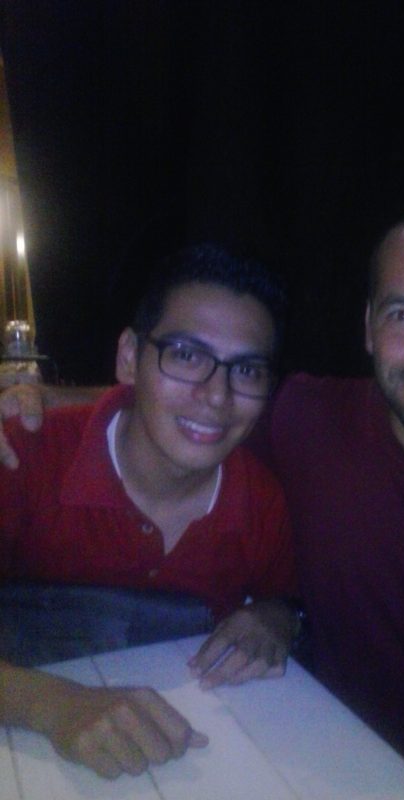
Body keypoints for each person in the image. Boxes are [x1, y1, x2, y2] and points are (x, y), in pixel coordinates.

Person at [2, 204, 404, 799]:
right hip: (324, 762)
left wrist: (278, 615)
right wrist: (33, 402)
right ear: (368, 327)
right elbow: (184, 408)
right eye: (402, 313)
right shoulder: (306, 417)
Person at [0, 244, 299, 779]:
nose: (216, 396)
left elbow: (282, 600)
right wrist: (54, 706)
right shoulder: (22, 453)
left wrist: (276, 618)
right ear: (129, 357)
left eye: (247, 370)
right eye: (186, 355)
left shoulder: (261, 500)